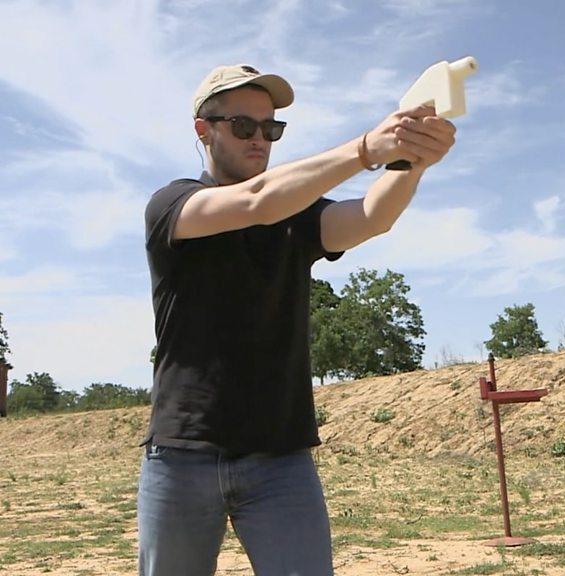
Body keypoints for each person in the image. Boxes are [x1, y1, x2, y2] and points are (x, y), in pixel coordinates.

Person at [138, 63, 456, 576]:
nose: (260, 138)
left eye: (272, 128)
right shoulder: (172, 206)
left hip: (281, 459)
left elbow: (371, 217)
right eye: (243, 126)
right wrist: (364, 150)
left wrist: (410, 160)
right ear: (204, 129)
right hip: (182, 455)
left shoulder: (295, 212)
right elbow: (256, 201)